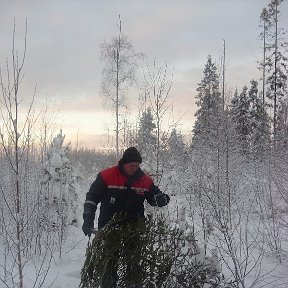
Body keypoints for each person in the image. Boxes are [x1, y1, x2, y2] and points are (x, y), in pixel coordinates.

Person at [82, 146, 170, 237]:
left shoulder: (144, 180)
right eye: (132, 165)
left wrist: (161, 199)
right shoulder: (106, 176)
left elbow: (154, 197)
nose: (135, 168)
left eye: (137, 166)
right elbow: (92, 199)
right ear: (124, 163)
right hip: (108, 229)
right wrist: (88, 220)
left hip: (135, 231)